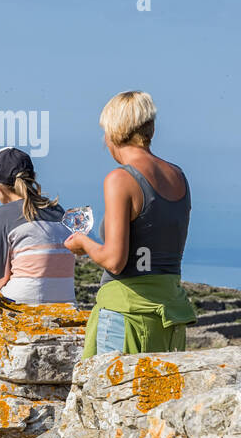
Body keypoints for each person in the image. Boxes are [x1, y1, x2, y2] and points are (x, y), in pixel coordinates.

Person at [64, 91, 196, 358]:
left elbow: (114, 260)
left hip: (126, 316)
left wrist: (83, 243)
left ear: (113, 132)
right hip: (169, 314)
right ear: (152, 128)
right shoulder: (178, 176)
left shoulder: (120, 179)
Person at [0, 146, 76, 306]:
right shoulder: (59, 211)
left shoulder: (0, 215)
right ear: (33, 177)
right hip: (66, 304)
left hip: (21, 305)